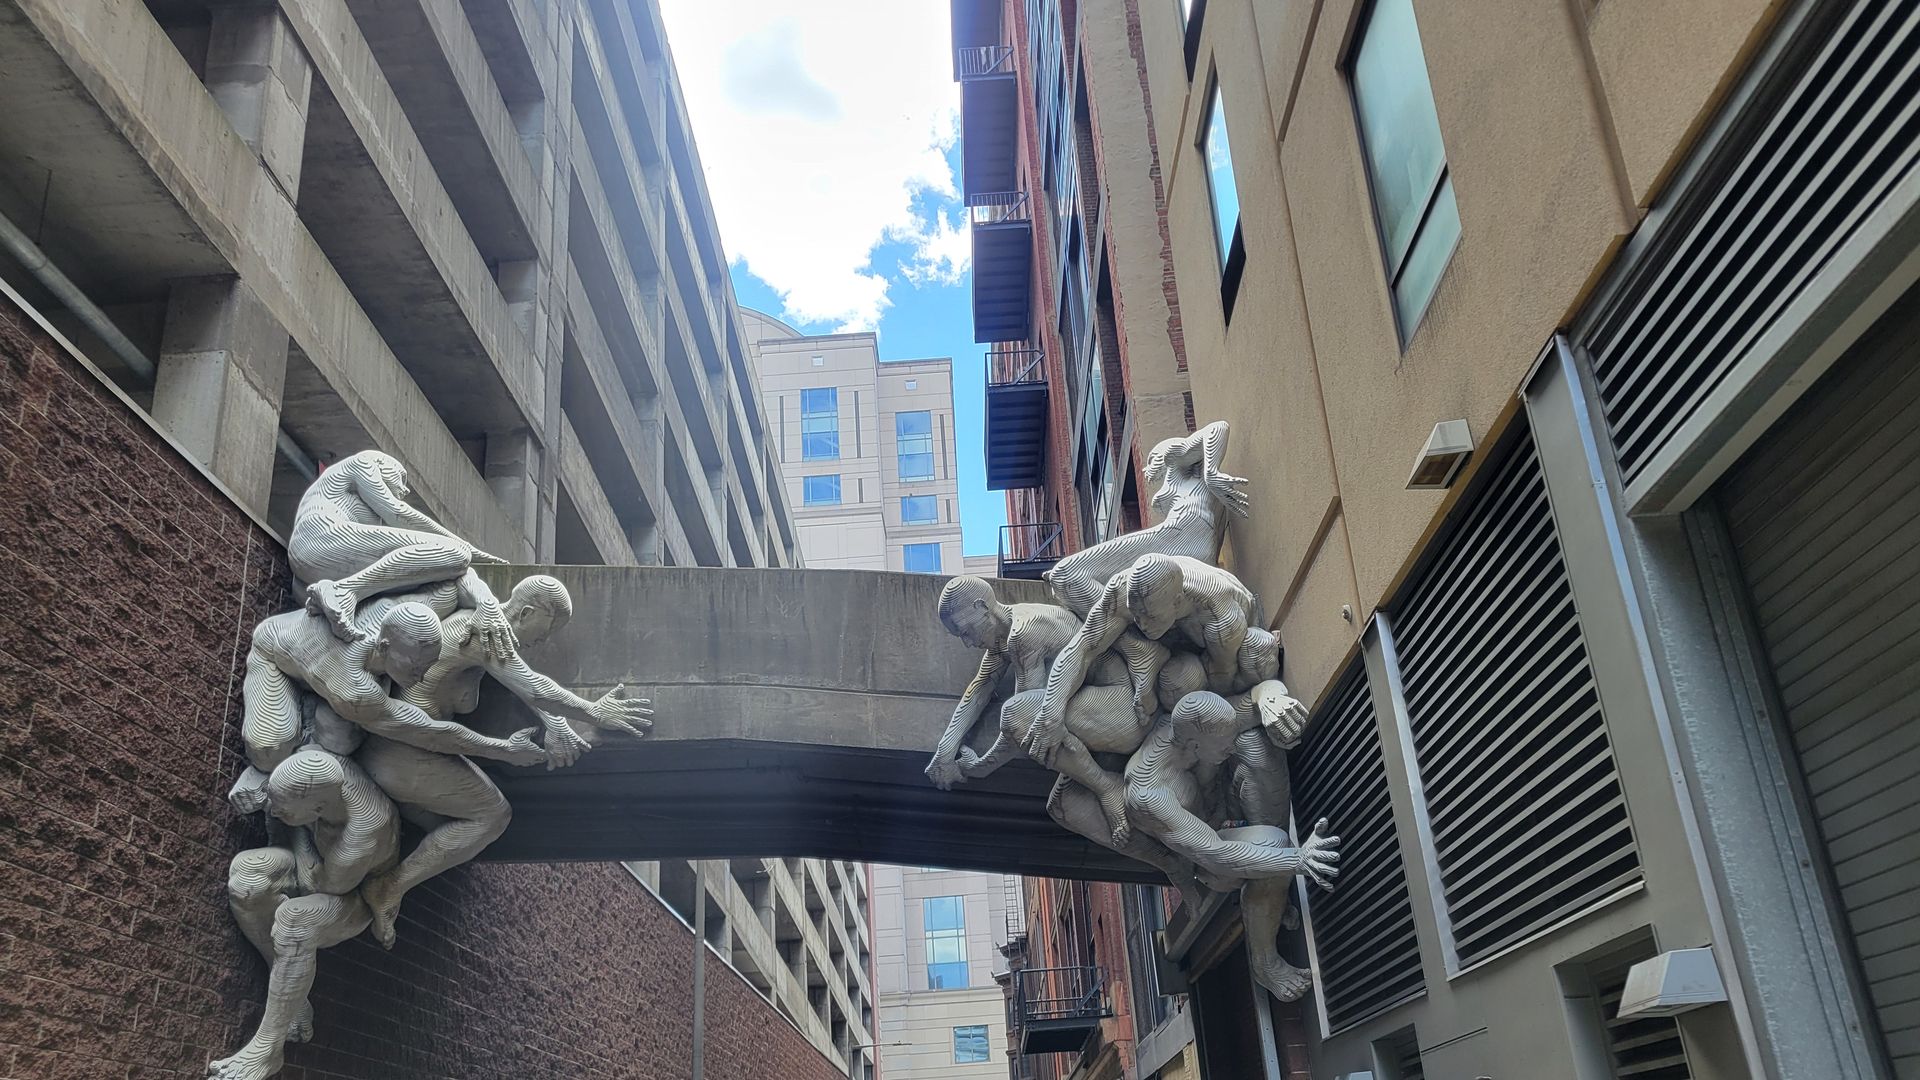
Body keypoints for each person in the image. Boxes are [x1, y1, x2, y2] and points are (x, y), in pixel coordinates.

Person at [356, 575, 654, 947]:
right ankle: (388, 887)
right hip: (401, 751)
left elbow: (518, 678)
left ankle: (381, 863)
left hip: (410, 752)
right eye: (544, 631)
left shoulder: (486, 630)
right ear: (527, 611)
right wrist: (594, 712)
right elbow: (531, 685)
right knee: (492, 817)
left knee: (451, 838)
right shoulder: (481, 631)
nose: (541, 642)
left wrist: (555, 722)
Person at [212, 749, 399, 1080]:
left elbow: (319, 885)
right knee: (247, 876)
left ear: (318, 809)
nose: (276, 809)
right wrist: (254, 784)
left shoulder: (361, 835)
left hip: (353, 897)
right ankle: (290, 992)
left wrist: (293, 827)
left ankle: (268, 1051)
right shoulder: (318, 763)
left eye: (283, 807)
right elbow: (279, 777)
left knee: (295, 920)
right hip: (313, 861)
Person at [927, 576, 1164, 789]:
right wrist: (945, 750)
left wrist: (979, 767)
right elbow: (980, 687)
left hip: (1127, 714)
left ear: (982, 607)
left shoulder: (1024, 632)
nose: (968, 643)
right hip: (1103, 708)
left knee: (1016, 713)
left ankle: (1105, 788)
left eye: (966, 631)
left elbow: (1022, 723)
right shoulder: (1004, 636)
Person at [1029, 554, 1264, 765]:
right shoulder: (1122, 591)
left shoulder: (1220, 621)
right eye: (1135, 614)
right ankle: (1144, 654)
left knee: (1183, 680)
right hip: (1175, 643)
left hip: (1219, 653)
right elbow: (1081, 649)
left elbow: (1224, 688)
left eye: (1150, 616)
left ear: (1177, 601)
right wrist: (1051, 712)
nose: (1141, 624)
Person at [289, 449, 517, 659]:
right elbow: (399, 513)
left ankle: (343, 592)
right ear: (382, 463)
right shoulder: (363, 462)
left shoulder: (357, 507)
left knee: (440, 576)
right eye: (402, 477)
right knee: (457, 554)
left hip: (310, 567)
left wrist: (485, 601)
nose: (405, 489)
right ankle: (345, 591)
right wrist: (471, 551)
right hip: (321, 537)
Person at [1043, 421, 1248, 615]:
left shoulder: (1175, 459)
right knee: (1073, 583)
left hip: (1178, 534)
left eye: (1150, 459)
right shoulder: (1192, 486)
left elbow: (1218, 427)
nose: (1146, 468)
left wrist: (1211, 472)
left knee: (1067, 572)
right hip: (1193, 548)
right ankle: (1127, 627)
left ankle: (1124, 632)